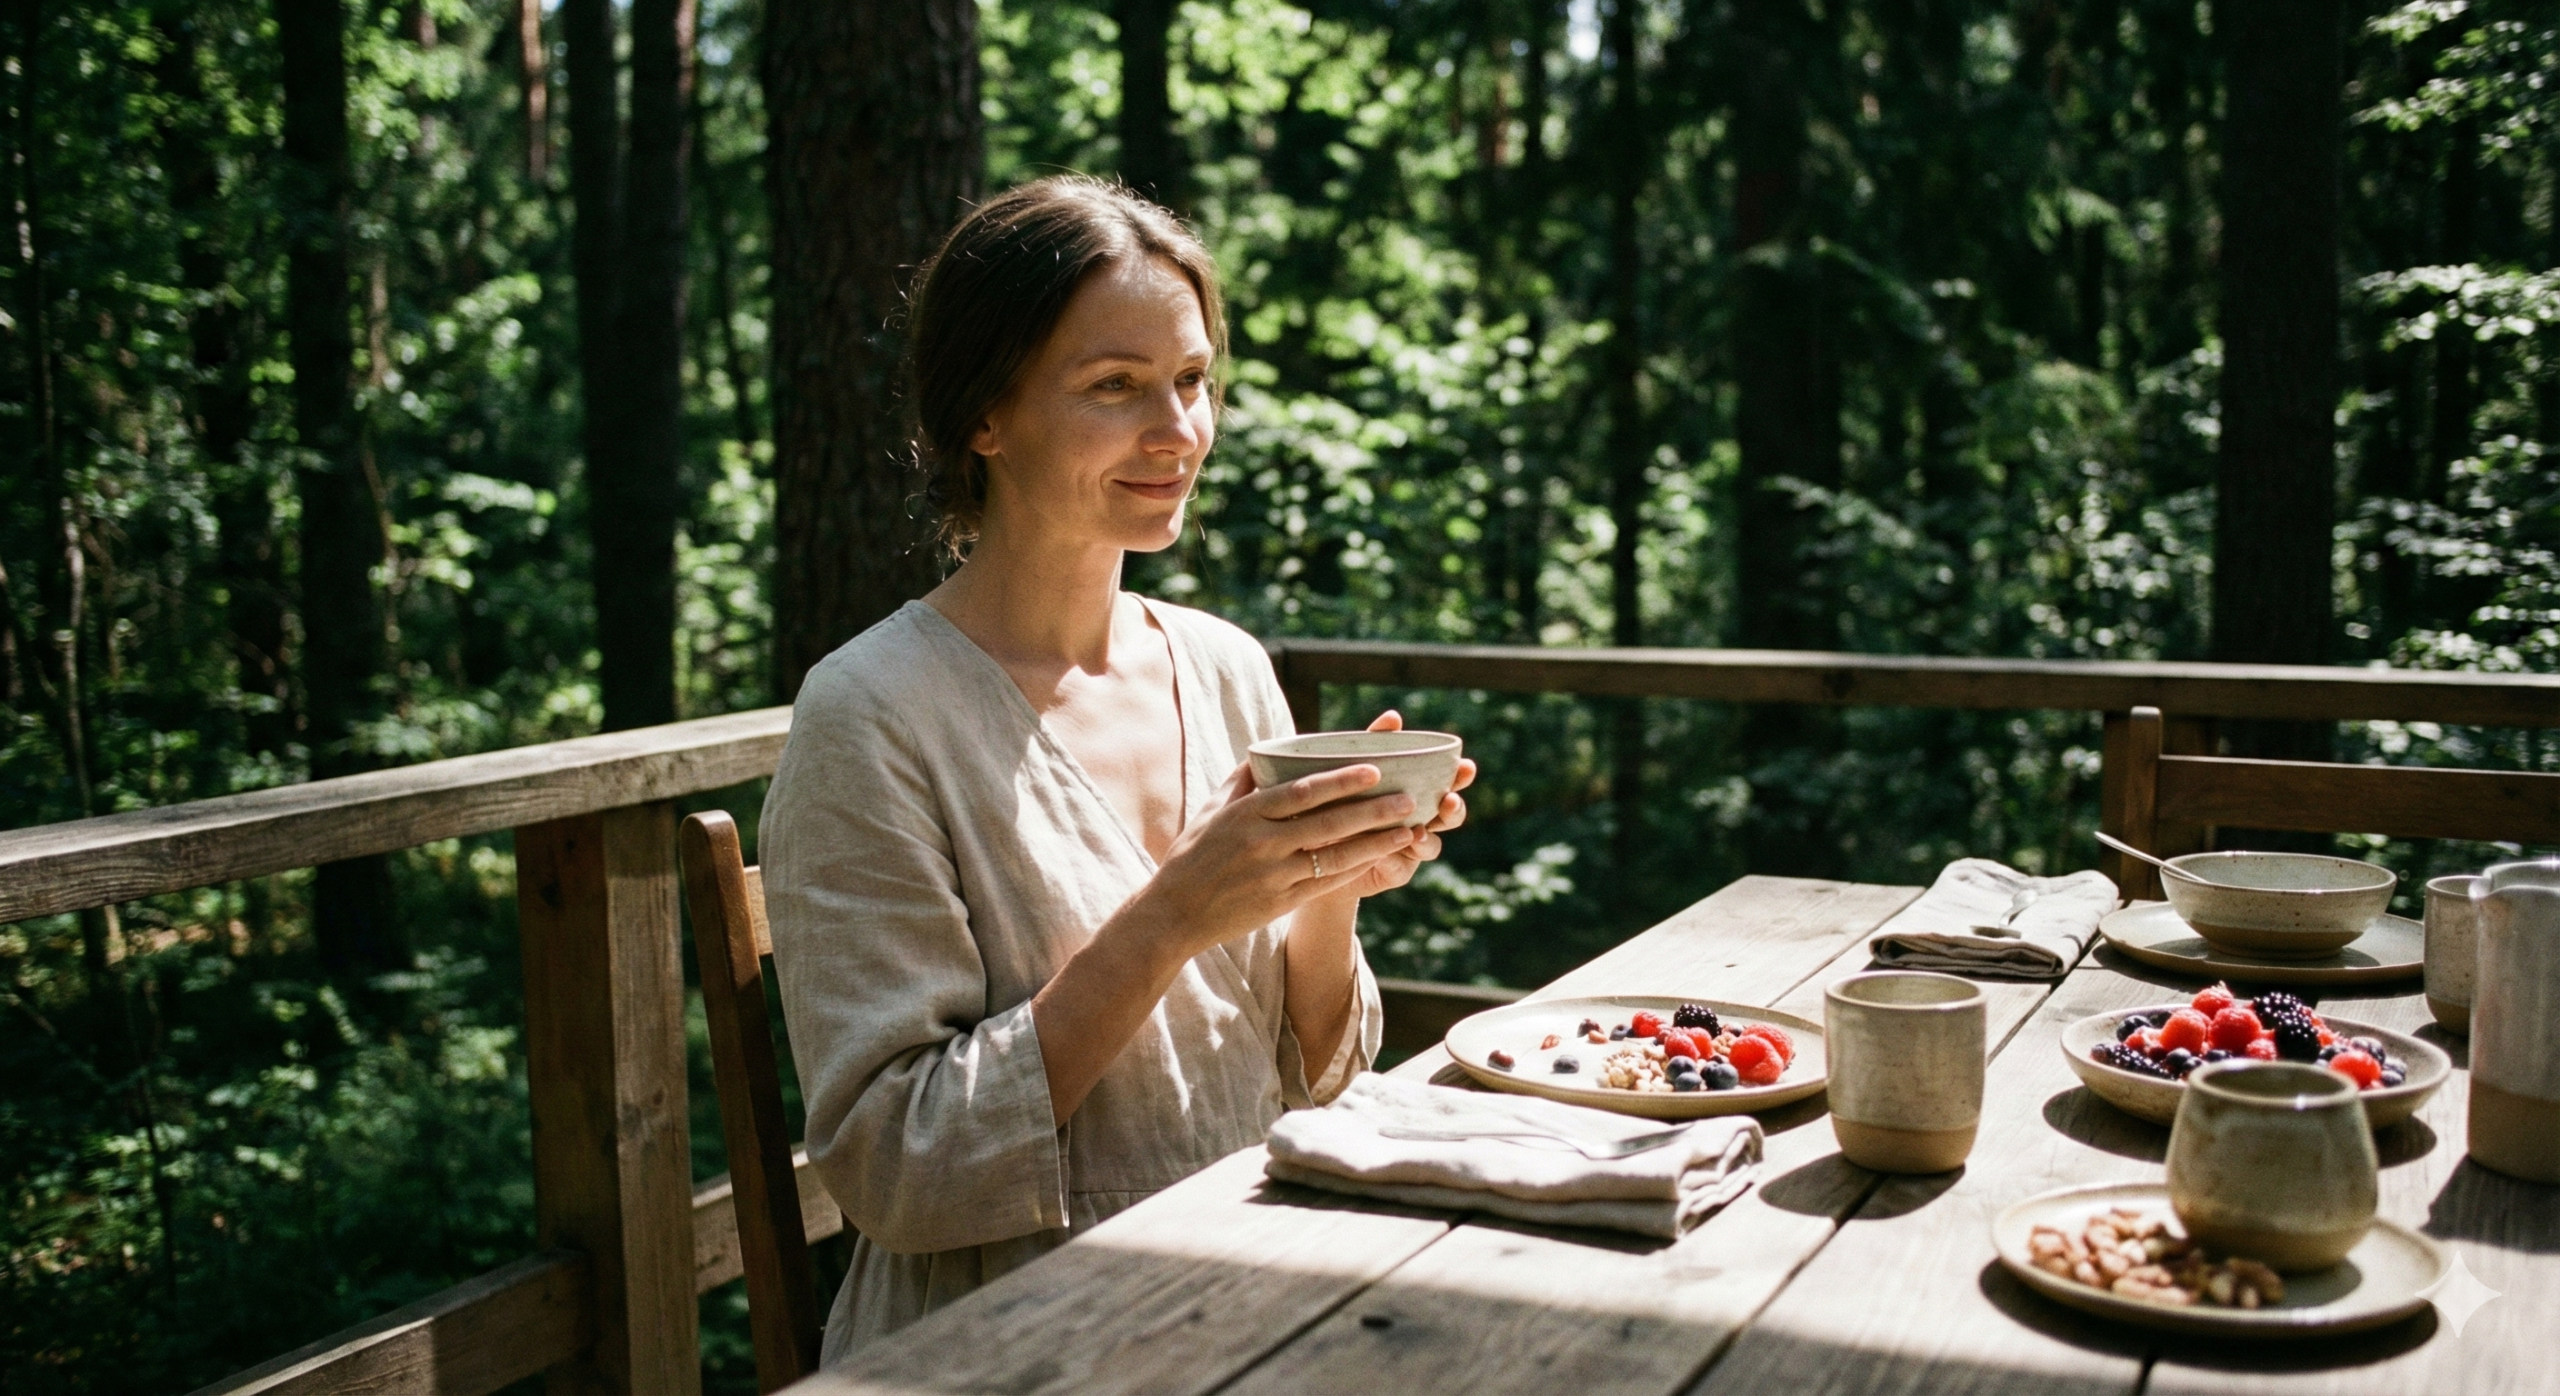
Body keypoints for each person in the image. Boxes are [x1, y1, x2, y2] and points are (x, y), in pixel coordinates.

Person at [760, 174, 1475, 1360]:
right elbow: (896, 1171)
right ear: (984, 414)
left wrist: (1328, 881)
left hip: (1256, 1292)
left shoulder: (1227, 665)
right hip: (1000, 1338)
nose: (1178, 431)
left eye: (1192, 381)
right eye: (1115, 387)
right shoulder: (871, 714)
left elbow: (1320, 1089)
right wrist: (1173, 916)